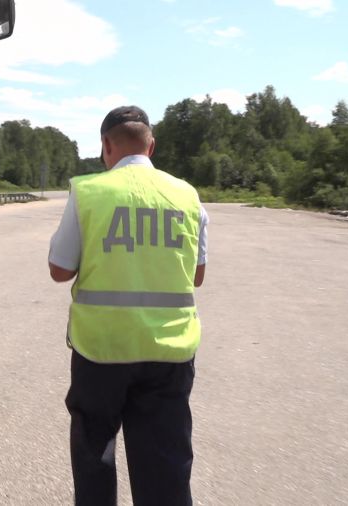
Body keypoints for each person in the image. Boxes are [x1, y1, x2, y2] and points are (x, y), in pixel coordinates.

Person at [48, 106, 208, 505]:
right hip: (168, 353)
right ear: (151, 146)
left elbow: (59, 269)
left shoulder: (88, 191)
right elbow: (197, 275)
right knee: (165, 467)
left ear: (106, 144)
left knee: (95, 459)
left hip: (101, 350)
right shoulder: (186, 195)